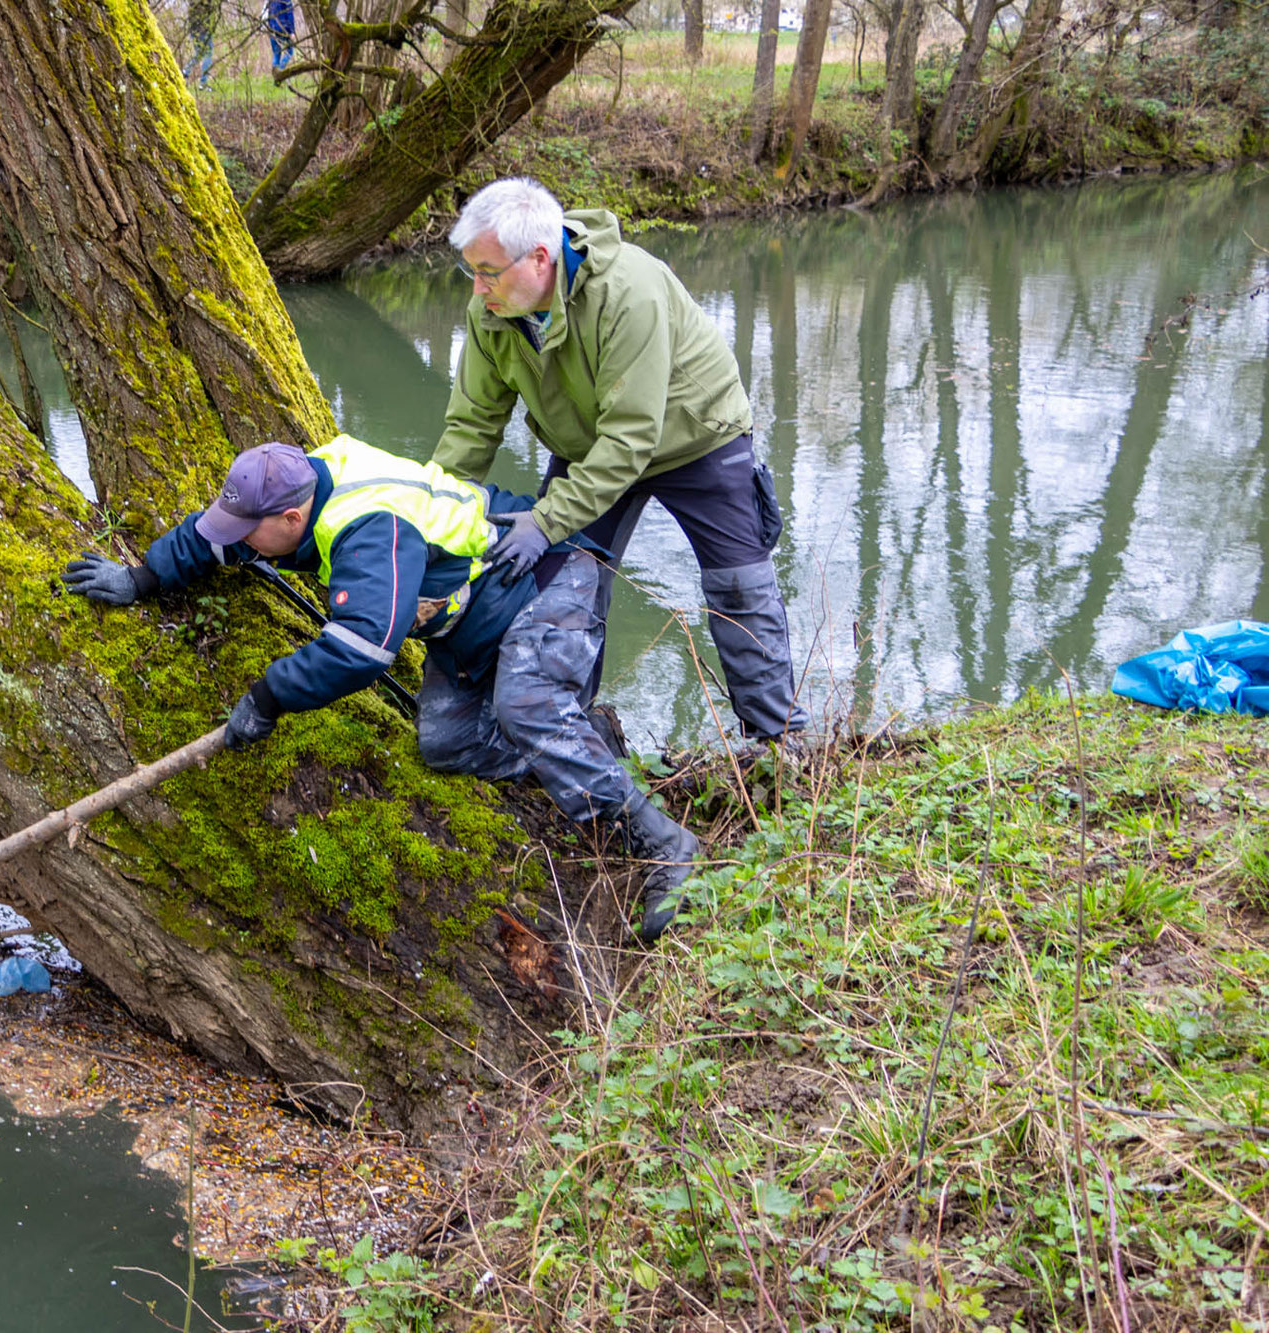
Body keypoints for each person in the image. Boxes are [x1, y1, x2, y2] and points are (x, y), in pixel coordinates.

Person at [61, 434, 703, 944]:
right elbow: (216, 539)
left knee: (526, 710)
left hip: (549, 579)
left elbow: (364, 649)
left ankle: (663, 844)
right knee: (447, 745)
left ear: (290, 517)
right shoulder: (297, 478)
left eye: (250, 533)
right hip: (478, 617)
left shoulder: (367, 525)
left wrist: (267, 697)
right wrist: (142, 578)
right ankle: (577, 753)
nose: (239, 544)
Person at [435, 177, 808, 745]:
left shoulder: (626, 290)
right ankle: (568, 735)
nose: (478, 286)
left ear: (540, 257)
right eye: (471, 271)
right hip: (588, 448)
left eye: (488, 271)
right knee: (563, 584)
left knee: (739, 588)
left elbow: (631, 439)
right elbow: (473, 423)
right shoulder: (491, 310)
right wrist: (431, 509)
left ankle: (780, 743)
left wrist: (546, 519)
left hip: (694, 436)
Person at [184, 0, 218, 88]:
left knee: (199, 54)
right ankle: (203, 83)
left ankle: (185, 71)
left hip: (193, 29)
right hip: (203, 29)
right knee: (208, 54)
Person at [264, 0, 295, 73]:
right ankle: (281, 71)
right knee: (289, 52)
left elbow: (267, 15)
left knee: (276, 54)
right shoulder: (286, 1)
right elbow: (289, 14)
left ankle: (276, 77)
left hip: (272, 30)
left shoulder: (270, 1)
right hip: (284, 30)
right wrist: (292, 31)